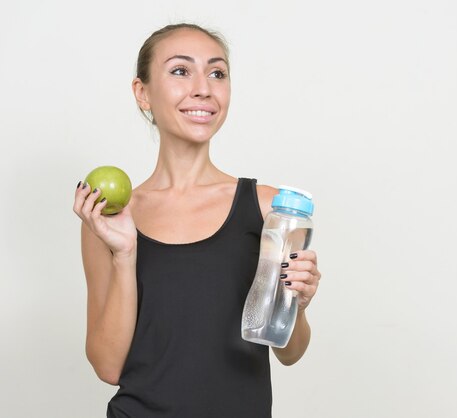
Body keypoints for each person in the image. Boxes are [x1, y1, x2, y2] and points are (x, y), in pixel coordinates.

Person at [72, 23, 321, 417]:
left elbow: (290, 352)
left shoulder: (270, 208)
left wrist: (299, 305)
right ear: (143, 93)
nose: (203, 88)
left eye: (217, 73)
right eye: (180, 70)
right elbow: (107, 366)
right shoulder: (110, 217)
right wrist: (124, 254)